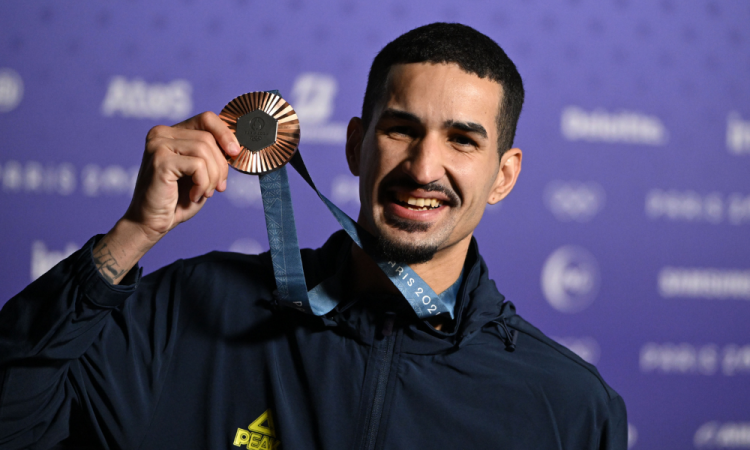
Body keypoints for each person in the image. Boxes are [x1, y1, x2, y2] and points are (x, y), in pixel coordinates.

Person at [0, 23, 627, 449]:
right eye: (401, 129)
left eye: (462, 139)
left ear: (503, 176)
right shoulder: (193, 306)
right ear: (356, 144)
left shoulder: (568, 407)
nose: (423, 167)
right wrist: (133, 234)